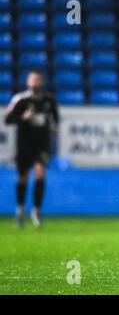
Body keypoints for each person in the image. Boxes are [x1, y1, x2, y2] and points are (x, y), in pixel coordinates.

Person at [4, 69, 59, 228]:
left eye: (38, 80)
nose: (36, 83)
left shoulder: (49, 100)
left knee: (40, 174)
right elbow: (8, 119)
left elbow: (55, 117)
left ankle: (36, 210)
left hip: (42, 143)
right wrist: (23, 117)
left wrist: (54, 127)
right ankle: (20, 208)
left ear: (42, 82)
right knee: (23, 177)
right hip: (25, 144)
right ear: (28, 82)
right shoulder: (20, 100)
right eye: (33, 80)